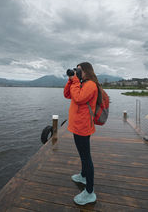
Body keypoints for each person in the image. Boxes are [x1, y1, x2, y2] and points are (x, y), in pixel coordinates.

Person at [64, 62, 102, 205]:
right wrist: (71, 80)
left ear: (85, 71)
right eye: (76, 70)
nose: (77, 72)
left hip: (83, 127)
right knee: (83, 155)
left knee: (86, 158)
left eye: (78, 70)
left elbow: (79, 98)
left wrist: (74, 80)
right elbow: (67, 94)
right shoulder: (81, 83)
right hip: (78, 126)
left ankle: (90, 192)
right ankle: (83, 175)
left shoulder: (91, 85)